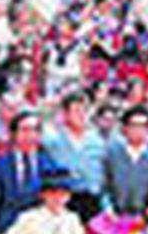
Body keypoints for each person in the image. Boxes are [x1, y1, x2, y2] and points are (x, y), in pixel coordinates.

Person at [42, 89, 106, 218]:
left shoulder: (97, 140)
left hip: (91, 200)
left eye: (85, 111)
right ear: (66, 114)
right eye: (76, 111)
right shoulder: (53, 140)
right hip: (64, 200)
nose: (82, 115)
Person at [0, 111, 57, 234]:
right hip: (5, 229)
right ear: (13, 133)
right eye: (25, 130)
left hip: (40, 232)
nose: (30, 135)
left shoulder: (50, 164)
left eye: (35, 130)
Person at [103, 105, 148, 218]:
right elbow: (103, 185)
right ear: (125, 128)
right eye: (134, 125)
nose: (138, 130)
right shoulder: (112, 154)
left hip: (144, 218)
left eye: (142, 125)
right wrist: (108, 208)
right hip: (114, 216)